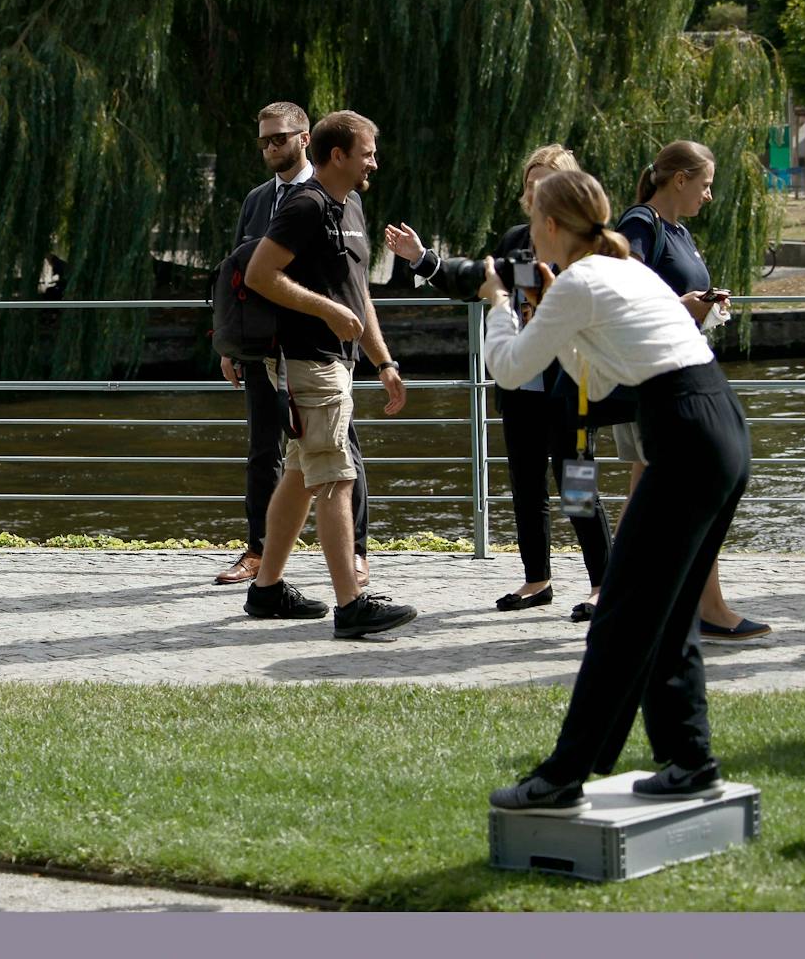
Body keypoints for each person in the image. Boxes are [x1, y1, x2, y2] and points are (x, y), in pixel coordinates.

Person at [485, 170, 749, 813]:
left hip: (684, 440)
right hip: (720, 428)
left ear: (548, 226)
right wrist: (556, 318)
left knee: (621, 617)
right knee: (668, 610)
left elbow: (511, 368)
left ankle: (563, 775)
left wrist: (499, 302)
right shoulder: (622, 269)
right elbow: (599, 385)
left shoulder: (579, 280)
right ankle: (690, 760)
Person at [384, 144, 612, 615]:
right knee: (527, 486)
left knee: (578, 487)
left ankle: (602, 584)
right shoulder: (516, 239)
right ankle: (537, 581)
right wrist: (423, 258)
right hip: (521, 385)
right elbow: (480, 282)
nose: (535, 190)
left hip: (575, 388)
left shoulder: (586, 244)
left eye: (546, 182)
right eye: (530, 182)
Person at [241, 110, 417, 639]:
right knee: (337, 475)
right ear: (337, 155)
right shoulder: (306, 205)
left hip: (338, 361)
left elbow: (358, 293)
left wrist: (383, 361)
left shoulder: (350, 207)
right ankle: (351, 604)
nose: (374, 162)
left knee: (299, 476)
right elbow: (259, 274)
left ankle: (267, 589)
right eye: (367, 152)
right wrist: (323, 310)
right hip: (307, 359)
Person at [608, 140, 768, 641]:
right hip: (657, 378)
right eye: (704, 184)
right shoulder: (640, 224)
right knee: (701, 487)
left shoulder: (679, 233)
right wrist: (683, 305)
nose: (710, 195)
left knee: (649, 497)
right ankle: (707, 607)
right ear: (678, 180)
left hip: (675, 371)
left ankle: (633, 602)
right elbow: (621, 291)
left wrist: (701, 306)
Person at [216, 102, 372, 592]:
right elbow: (243, 276)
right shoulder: (264, 200)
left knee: (333, 460)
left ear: (306, 139)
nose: (269, 148)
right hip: (270, 350)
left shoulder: (340, 197)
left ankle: (353, 559)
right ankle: (263, 558)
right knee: (276, 452)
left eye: (278, 138)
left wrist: (380, 356)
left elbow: (357, 284)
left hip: (320, 353)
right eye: (263, 141)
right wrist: (230, 343)